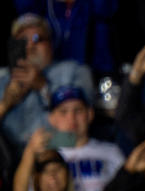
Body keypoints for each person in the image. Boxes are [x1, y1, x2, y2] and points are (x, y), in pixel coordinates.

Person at [0, 13, 94, 149]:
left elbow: (77, 137)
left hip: (65, 156)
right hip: (13, 162)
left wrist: (43, 86)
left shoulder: (75, 71)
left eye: (38, 39)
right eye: (23, 40)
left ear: (50, 44)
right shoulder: (3, 81)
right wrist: (6, 102)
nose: (30, 45)